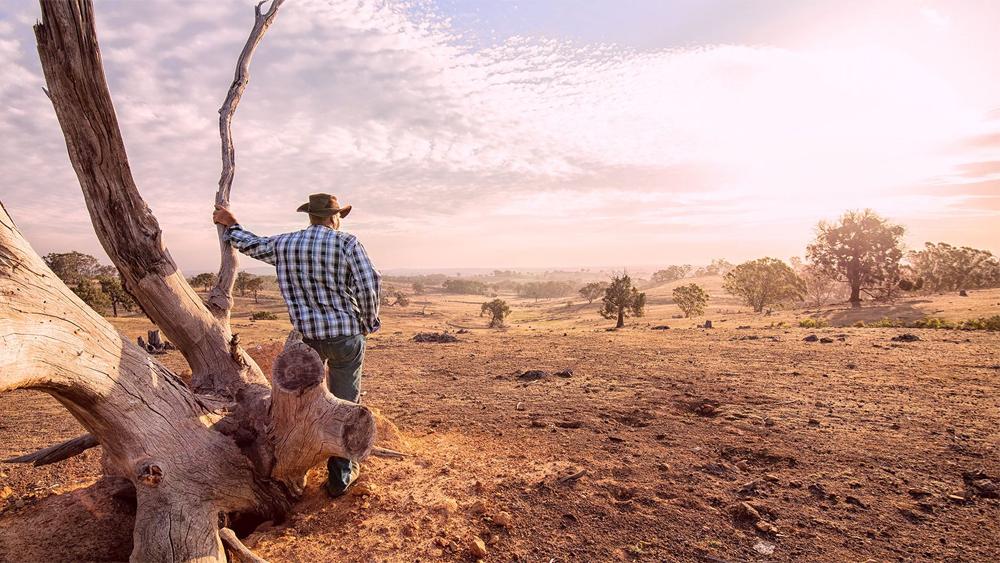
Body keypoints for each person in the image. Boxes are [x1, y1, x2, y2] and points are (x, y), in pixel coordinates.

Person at [213, 193, 381, 497]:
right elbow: (370, 283)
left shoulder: (286, 243)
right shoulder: (346, 243)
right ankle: (341, 477)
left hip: (308, 341)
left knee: (306, 404)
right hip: (346, 336)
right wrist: (368, 323)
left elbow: (250, 244)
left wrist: (231, 224)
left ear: (310, 216)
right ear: (333, 217)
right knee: (345, 401)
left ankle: (296, 462)